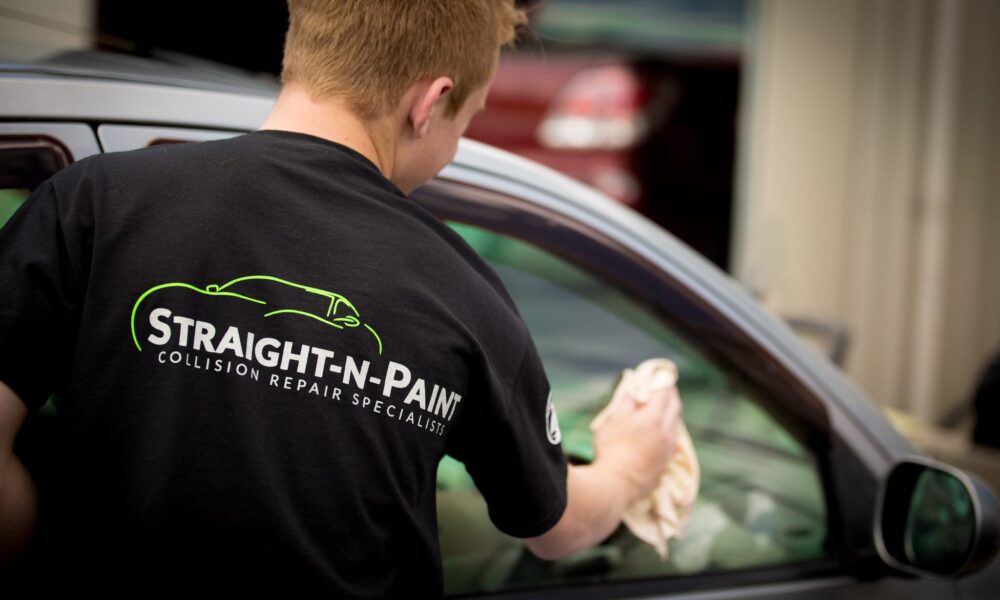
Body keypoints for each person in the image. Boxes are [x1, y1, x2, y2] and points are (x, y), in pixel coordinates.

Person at [0, 0, 682, 595]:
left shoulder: (95, 203)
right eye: (464, 122)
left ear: (304, 52)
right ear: (431, 101)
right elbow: (554, 528)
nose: (452, 146)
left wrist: (55, 550)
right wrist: (627, 467)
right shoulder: (461, 292)